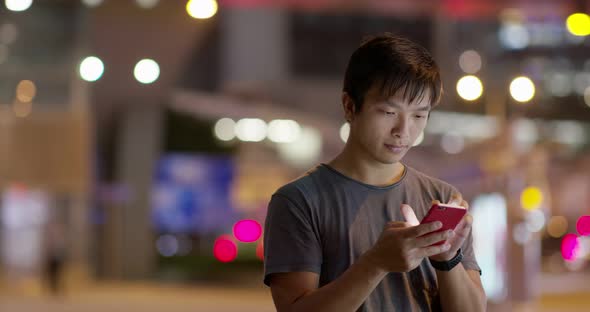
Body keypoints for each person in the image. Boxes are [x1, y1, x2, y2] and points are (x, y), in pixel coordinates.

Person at [262, 33, 486, 312]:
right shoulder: (298, 201)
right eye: (389, 112)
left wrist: (447, 259)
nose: (404, 131)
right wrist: (376, 263)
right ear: (350, 106)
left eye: (419, 115)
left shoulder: (440, 197)